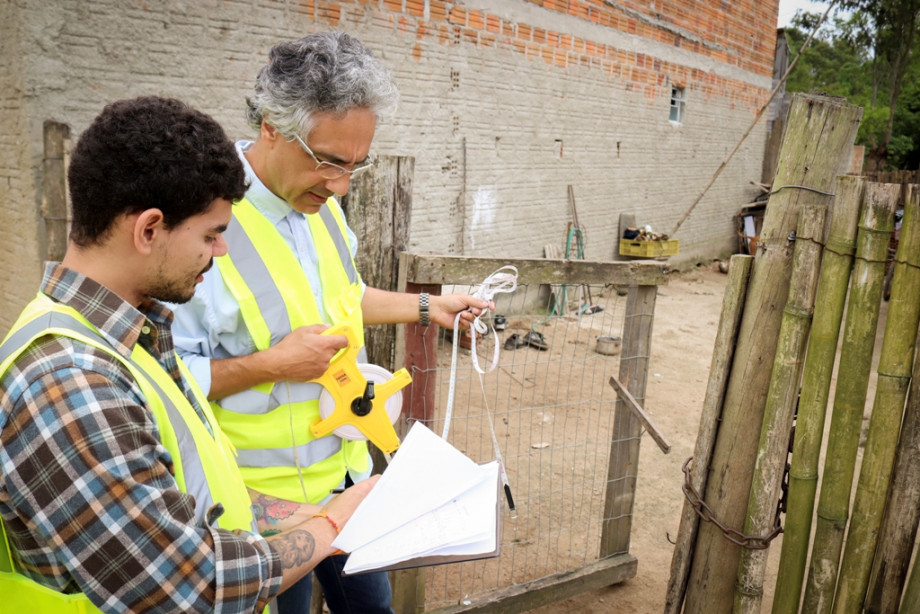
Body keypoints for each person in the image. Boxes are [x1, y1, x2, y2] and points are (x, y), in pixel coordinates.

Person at [0, 96, 376, 614]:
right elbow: (191, 588)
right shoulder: (70, 380)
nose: (221, 252)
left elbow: (188, 500)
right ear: (149, 229)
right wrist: (331, 525)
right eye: (212, 234)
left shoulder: (130, 337)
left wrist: (311, 511)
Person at [170, 32, 490, 613]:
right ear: (271, 124)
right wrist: (271, 365)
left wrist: (428, 307)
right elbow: (164, 379)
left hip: (348, 475)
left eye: (355, 166)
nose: (340, 184)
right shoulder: (203, 226)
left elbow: (344, 297)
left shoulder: (321, 209)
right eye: (328, 162)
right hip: (262, 507)